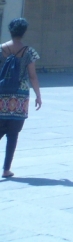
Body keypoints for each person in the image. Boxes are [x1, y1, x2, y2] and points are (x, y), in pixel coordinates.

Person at [0, 17, 42, 178]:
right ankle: (6, 169)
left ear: (10, 31)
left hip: (1, 92)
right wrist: (38, 95)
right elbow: (33, 76)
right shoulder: (29, 51)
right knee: (13, 133)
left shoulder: (1, 49)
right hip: (20, 95)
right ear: (23, 32)